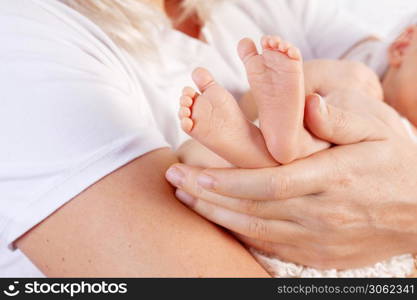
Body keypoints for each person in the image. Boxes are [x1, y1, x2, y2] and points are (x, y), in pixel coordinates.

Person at [0, 0, 389, 277]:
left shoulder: (264, 8)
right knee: (348, 91)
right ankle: (276, 135)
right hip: (255, 220)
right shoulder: (24, 34)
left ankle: (267, 137)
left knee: (347, 99)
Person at [173, 34, 417, 276]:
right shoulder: (360, 80)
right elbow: (249, 107)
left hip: (331, 238)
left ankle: (271, 145)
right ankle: (276, 141)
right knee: (195, 157)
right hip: (288, 205)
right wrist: (309, 78)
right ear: (403, 46)